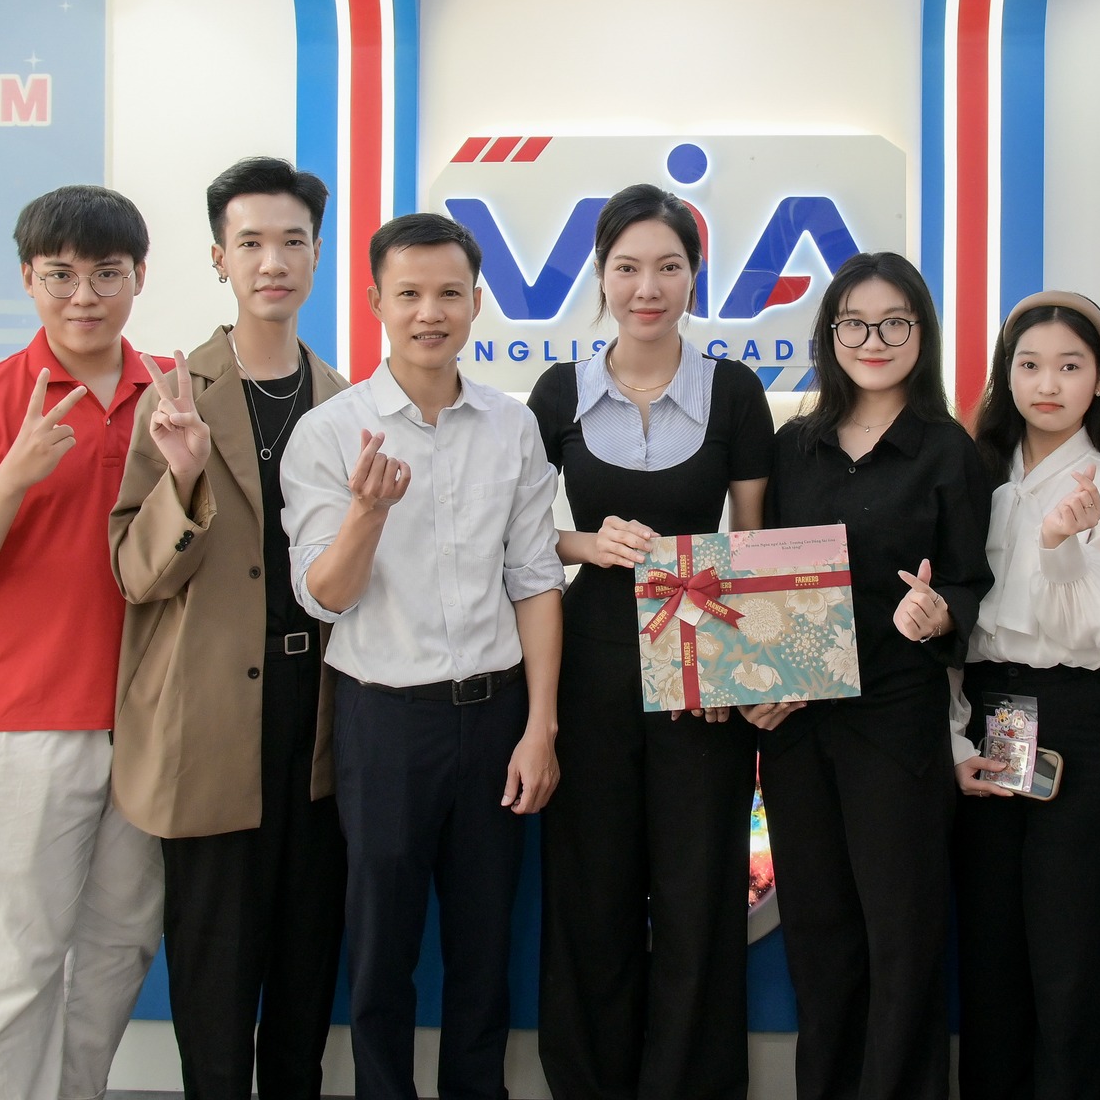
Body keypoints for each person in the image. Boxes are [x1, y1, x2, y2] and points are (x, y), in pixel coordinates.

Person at [280, 211, 565, 1100]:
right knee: (382, 949)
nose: (429, 312)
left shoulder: (512, 426)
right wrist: (367, 514)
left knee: (485, 948)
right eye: (408, 294)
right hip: (384, 720)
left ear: (476, 302)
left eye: (448, 293)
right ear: (375, 302)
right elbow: (323, 596)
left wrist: (541, 728)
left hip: (497, 717)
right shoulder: (331, 432)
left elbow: (535, 579)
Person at [0, 185, 165, 1100]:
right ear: (28, 278)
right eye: (61, 275)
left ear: (139, 276)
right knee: (17, 963)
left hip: (151, 723)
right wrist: (13, 475)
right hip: (24, 724)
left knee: (120, 949)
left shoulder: (178, 393)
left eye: (106, 274)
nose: (84, 296)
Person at [107, 158, 349, 1099]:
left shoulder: (347, 402)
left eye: (292, 242)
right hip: (209, 717)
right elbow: (135, 574)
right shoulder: (175, 396)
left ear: (318, 256)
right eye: (250, 243)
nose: (272, 262)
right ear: (219, 258)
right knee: (213, 966)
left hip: (321, 715)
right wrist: (182, 476)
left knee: (306, 960)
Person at [529, 185, 773, 1100]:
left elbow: (751, 545)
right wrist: (584, 543)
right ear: (601, 276)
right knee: (590, 896)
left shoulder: (734, 391)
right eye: (628, 268)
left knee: (698, 896)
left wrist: (739, 676)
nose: (648, 287)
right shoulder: (559, 392)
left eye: (669, 267)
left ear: (693, 276)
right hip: (590, 659)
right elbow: (521, 535)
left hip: (702, 670)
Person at [757, 250, 994, 1100]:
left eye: (895, 322)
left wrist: (941, 614)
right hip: (800, 724)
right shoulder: (794, 446)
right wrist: (759, 681)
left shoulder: (949, 450)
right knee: (819, 934)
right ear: (829, 334)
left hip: (896, 722)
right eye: (853, 323)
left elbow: (970, 581)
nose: (874, 340)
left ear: (922, 333)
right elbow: (760, 579)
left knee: (902, 937)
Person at [949, 290, 1100, 1100]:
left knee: (1073, 957)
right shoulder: (972, 473)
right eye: (1030, 365)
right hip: (984, 712)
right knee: (989, 954)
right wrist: (952, 733)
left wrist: (1060, 545)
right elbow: (951, 620)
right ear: (1006, 374)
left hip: (1079, 714)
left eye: (1070, 366)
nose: (1047, 384)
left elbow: (1097, 625)